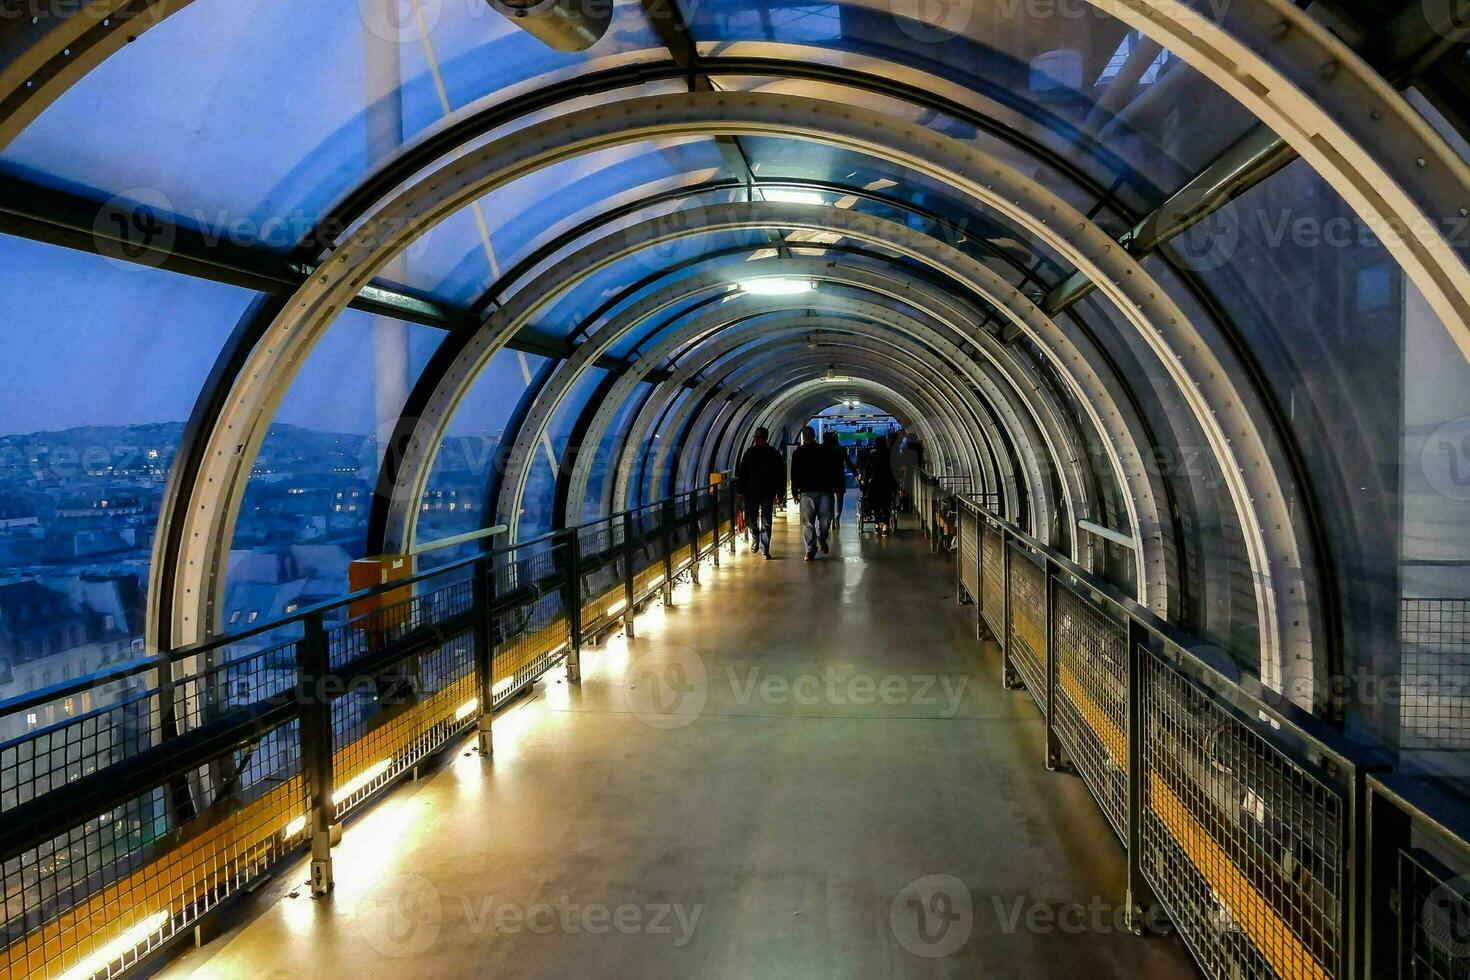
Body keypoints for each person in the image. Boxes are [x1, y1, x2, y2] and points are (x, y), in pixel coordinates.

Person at [736, 426, 784, 559]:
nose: (758, 440)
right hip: (751, 492)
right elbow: (743, 473)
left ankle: (765, 547)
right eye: (756, 437)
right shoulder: (749, 453)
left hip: (768, 492)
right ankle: (755, 535)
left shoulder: (773, 454)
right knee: (750, 519)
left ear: (765, 437)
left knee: (766, 520)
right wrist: (740, 492)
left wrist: (780, 494)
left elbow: (780, 474)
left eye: (760, 437)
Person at [790, 426, 834, 560]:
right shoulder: (798, 452)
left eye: (809, 434)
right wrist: (794, 491)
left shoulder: (824, 450)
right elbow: (794, 473)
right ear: (803, 436)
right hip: (806, 491)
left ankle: (822, 538)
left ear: (813, 435)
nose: (807, 436)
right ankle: (810, 550)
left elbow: (831, 469)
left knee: (826, 520)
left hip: (824, 489)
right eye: (806, 434)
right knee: (808, 522)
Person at [861, 434, 898, 534]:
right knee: (887, 503)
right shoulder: (890, 454)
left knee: (877, 503)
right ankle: (886, 525)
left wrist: (864, 480)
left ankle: (877, 524)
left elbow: (868, 470)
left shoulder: (872, 455)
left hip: (875, 482)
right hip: (887, 482)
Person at [822, 430, 858, 527]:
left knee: (829, 498)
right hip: (839, 476)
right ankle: (838, 514)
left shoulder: (822, 448)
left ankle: (831, 515)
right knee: (839, 498)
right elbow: (849, 462)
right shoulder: (841, 449)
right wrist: (856, 474)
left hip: (826, 477)